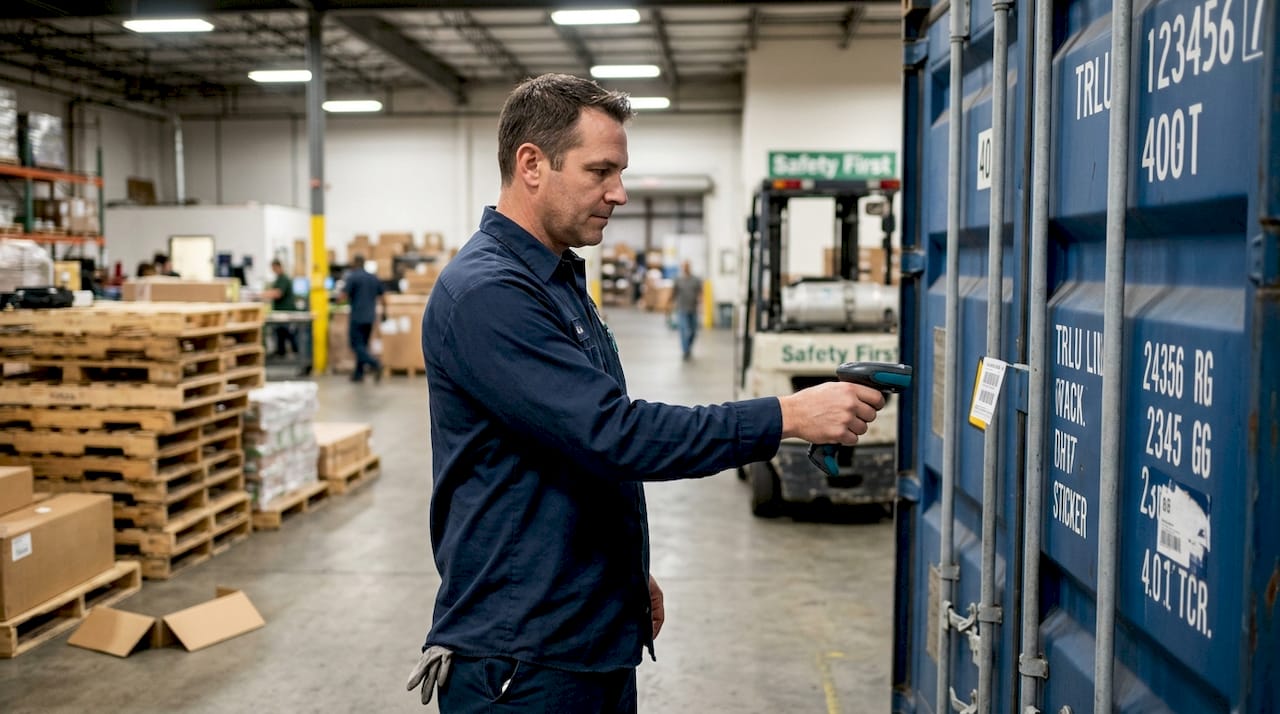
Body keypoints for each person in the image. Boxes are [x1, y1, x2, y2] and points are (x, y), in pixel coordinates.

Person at [407, 73, 885, 713]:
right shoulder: (490, 294)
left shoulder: (556, 280)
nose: (619, 193)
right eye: (600, 170)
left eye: (620, 171)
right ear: (531, 165)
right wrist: (787, 414)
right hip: (523, 659)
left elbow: (564, 455)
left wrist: (620, 572)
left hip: (582, 628)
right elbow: (614, 435)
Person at [339, 254, 385, 383]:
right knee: (363, 345)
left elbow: (343, 295)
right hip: (370, 318)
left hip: (357, 317)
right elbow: (383, 296)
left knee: (356, 345)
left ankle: (375, 364)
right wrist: (385, 312)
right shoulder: (373, 277)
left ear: (355, 263)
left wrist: (336, 300)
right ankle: (358, 374)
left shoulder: (352, 277)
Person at [263, 259, 298, 358]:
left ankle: (297, 352)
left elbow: (278, 293)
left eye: (274, 268)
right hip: (280, 312)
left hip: (286, 311)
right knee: (280, 333)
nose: (273, 270)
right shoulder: (279, 279)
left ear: (278, 267)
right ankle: (281, 352)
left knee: (288, 333)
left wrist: (262, 295)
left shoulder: (284, 279)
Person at [672, 260, 702, 361]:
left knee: (693, 332)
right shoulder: (678, 280)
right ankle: (685, 351)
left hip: (693, 309)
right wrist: (667, 305)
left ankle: (688, 347)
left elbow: (700, 292)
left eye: (687, 266)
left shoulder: (696, 280)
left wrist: (702, 304)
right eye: (684, 267)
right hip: (682, 309)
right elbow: (673, 292)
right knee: (684, 331)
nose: (685, 268)